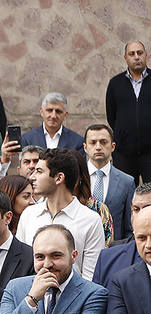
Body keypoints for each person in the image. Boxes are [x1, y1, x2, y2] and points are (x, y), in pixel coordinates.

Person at [15, 149, 106, 280]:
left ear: (59, 178)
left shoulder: (90, 220)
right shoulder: (28, 214)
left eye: (39, 171)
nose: (32, 177)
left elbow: (91, 277)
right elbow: (20, 269)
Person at [106, 40, 151, 184]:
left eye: (140, 53)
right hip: (124, 154)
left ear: (146, 55)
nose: (136, 57)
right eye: (132, 54)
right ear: (126, 58)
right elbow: (111, 115)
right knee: (125, 193)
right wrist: (123, 134)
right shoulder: (115, 83)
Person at [85, 123, 137, 242]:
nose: (98, 147)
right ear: (85, 147)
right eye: (93, 142)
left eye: (103, 142)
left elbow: (129, 226)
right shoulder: (76, 178)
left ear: (113, 146)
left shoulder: (127, 182)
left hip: (115, 248)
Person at [20, 92, 85, 153]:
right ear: (42, 112)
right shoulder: (27, 139)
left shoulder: (77, 141)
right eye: (49, 110)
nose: (53, 116)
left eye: (58, 111)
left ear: (65, 115)